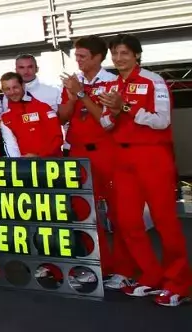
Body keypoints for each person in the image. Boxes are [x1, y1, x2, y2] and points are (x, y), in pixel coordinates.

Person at [102, 34, 191, 306]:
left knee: (165, 222)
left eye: (124, 53)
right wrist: (113, 111)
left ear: (137, 55)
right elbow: (105, 123)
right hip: (123, 158)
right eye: (115, 54)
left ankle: (180, 283)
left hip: (153, 156)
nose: (119, 59)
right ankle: (151, 275)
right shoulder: (113, 85)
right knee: (127, 222)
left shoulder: (154, 81)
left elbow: (162, 121)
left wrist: (125, 107)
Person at [57, 34, 133, 287]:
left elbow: (107, 121)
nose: (77, 61)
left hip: (107, 151)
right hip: (77, 151)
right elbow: (62, 118)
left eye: (82, 56)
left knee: (118, 212)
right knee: (84, 214)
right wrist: (71, 95)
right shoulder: (73, 83)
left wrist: (81, 95)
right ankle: (97, 266)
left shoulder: (113, 82)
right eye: (76, 56)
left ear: (98, 57)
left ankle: (124, 269)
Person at [0, 73, 63, 158]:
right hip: (26, 167)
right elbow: (11, 148)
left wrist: (40, 156)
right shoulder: (5, 118)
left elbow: (57, 138)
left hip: (52, 163)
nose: (12, 92)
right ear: (3, 91)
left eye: (15, 87)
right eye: (8, 89)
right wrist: (21, 165)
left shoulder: (43, 108)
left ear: (23, 85)